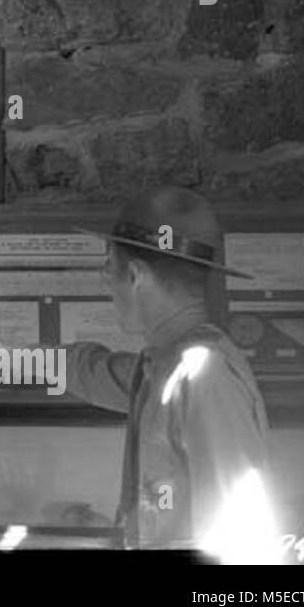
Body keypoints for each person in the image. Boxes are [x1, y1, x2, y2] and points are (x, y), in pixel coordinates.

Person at [65, 185, 283, 562]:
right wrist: (9, 359)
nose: (106, 281)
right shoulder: (164, 365)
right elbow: (94, 373)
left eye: (108, 268)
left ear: (134, 275)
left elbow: (240, 537)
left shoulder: (204, 375)